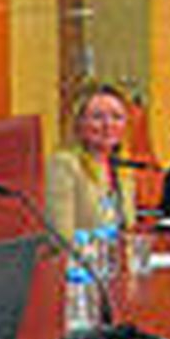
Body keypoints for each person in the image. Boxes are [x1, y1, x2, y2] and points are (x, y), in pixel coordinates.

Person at [45, 82, 136, 238]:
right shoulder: (64, 164)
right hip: (82, 260)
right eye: (97, 117)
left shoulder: (121, 168)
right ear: (78, 123)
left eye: (117, 117)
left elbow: (127, 228)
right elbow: (61, 237)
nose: (108, 125)